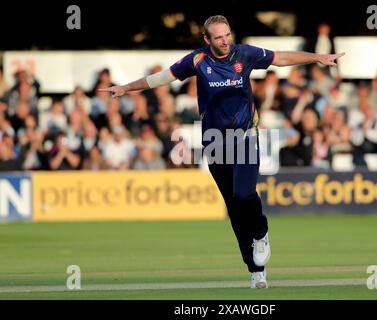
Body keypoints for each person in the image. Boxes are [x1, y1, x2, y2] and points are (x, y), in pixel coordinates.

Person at [100, 15, 344, 289]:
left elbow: (281, 58)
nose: (225, 41)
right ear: (207, 40)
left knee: (244, 194)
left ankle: (261, 234)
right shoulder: (197, 60)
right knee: (234, 209)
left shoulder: (244, 54)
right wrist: (125, 88)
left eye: (227, 35)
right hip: (214, 142)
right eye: (218, 37)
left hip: (245, 136)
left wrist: (316, 58)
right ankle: (256, 271)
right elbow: (161, 78)